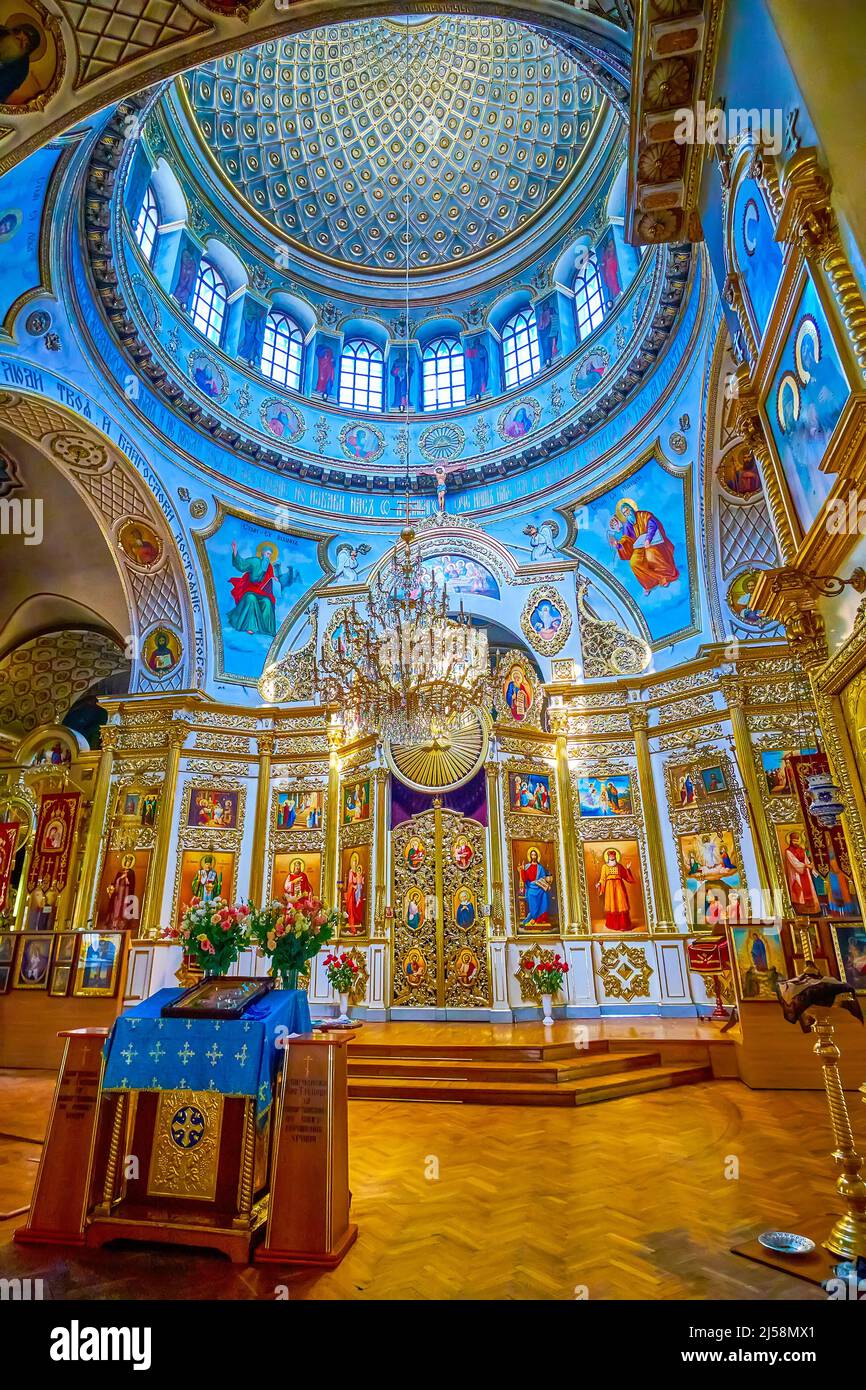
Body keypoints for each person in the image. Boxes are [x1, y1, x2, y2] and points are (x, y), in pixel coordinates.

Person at [609, 498, 679, 594]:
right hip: (639, 547)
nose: (627, 514)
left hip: (652, 542)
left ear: (631, 508)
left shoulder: (644, 515)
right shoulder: (627, 525)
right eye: (624, 513)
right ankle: (649, 584)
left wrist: (648, 539)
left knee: (651, 556)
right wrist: (618, 545)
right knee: (634, 562)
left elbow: (652, 526)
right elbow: (626, 540)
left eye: (627, 511)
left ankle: (664, 578)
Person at [595, 847, 636, 931]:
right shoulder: (604, 867)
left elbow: (626, 876)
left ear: (615, 856)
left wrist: (628, 869)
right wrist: (599, 883)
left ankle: (623, 925)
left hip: (619, 885)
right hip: (609, 887)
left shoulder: (619, 866)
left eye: (613, 856)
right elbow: (602, 878)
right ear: (608, 857)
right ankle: (613, 925)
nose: (611, 857)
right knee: (612, 904)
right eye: (610, 856)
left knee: (621, 903)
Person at [0, 23, 41, 104]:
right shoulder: (1, 33)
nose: (21, 43)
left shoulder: (21, 67)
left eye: (26, 43)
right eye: (18, 38)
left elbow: (3, 87)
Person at [783, 831, 821, 914]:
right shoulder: (788, 851)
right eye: (794, 841)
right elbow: (794, 863)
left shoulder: (801, 850)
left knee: (810, 890)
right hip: (796, 874)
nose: (796, 843)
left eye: (797, 841)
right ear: (790, 841)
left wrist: (810, 865)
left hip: (805, 873)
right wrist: (806, 866)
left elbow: (806, 860)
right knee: (799, 893)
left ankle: (813, 911)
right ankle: (801, 911)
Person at [520, 847, 553, 926]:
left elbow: (543, 878)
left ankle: (540, 919)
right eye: (532, 855)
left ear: (537, 856)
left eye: (535, 855)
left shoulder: (540, 867)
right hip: (531, 888)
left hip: (539, 887)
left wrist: (544, 884)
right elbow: (524, 880)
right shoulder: (527, 866)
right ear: (530, 856)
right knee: (531, 894)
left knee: (544, 895)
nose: (533, 857)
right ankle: (534, 917)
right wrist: (523, 870)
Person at [344, 852, 365, 933]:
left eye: (356, 861)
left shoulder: (357, 872)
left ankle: (358, 920)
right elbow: (350, 882)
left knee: (359, 904)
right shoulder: (351, 871)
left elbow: (361, 882)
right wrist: (354, 886)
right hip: (352, 891)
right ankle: (352, 922)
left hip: (358, 891)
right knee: (352, 905)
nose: (355, 862)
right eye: (353, 861)